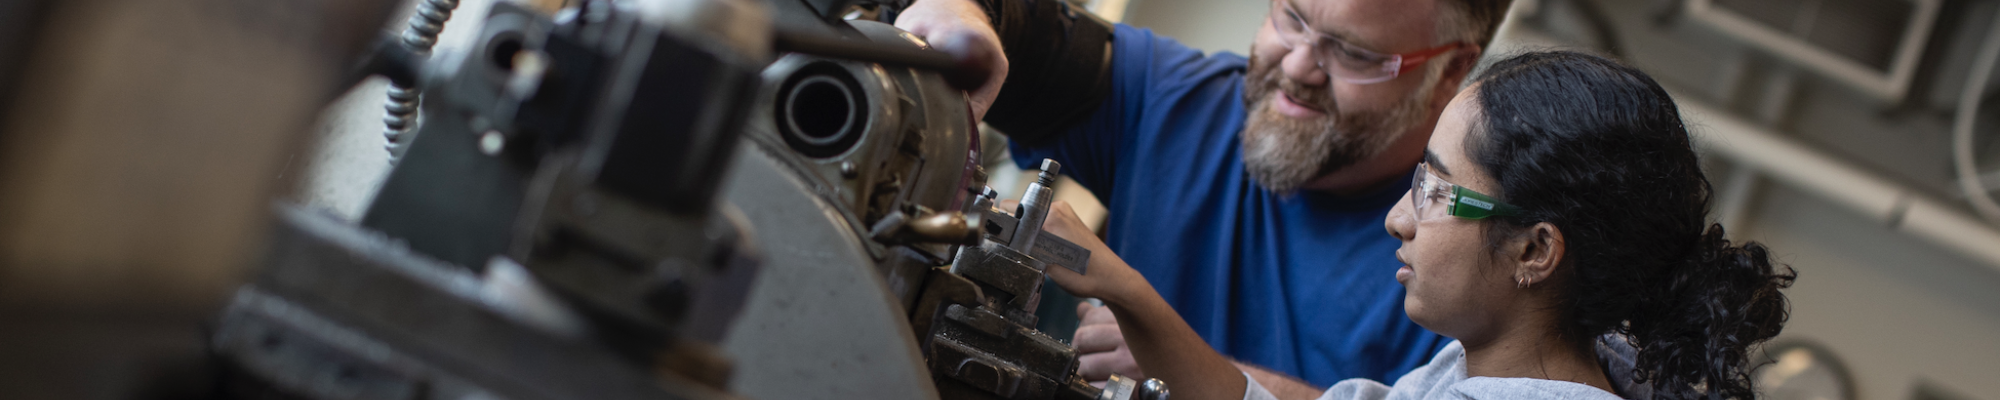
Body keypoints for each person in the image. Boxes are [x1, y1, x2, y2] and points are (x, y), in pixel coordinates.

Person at [1034, 50, 1798, 400]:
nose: (1400, 219)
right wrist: (1125, 289)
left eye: (1435, 191)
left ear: (1535, 249)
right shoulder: (1487, 373)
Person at [894, 0, 1513, 395]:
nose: (1298, 66)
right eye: (1290, 16)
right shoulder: (1171, 99)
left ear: (1453, 69)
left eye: (1353, 53)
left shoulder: (1477, 259)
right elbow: (1023, 30)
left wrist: (1175, 355)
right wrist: (966, 13)